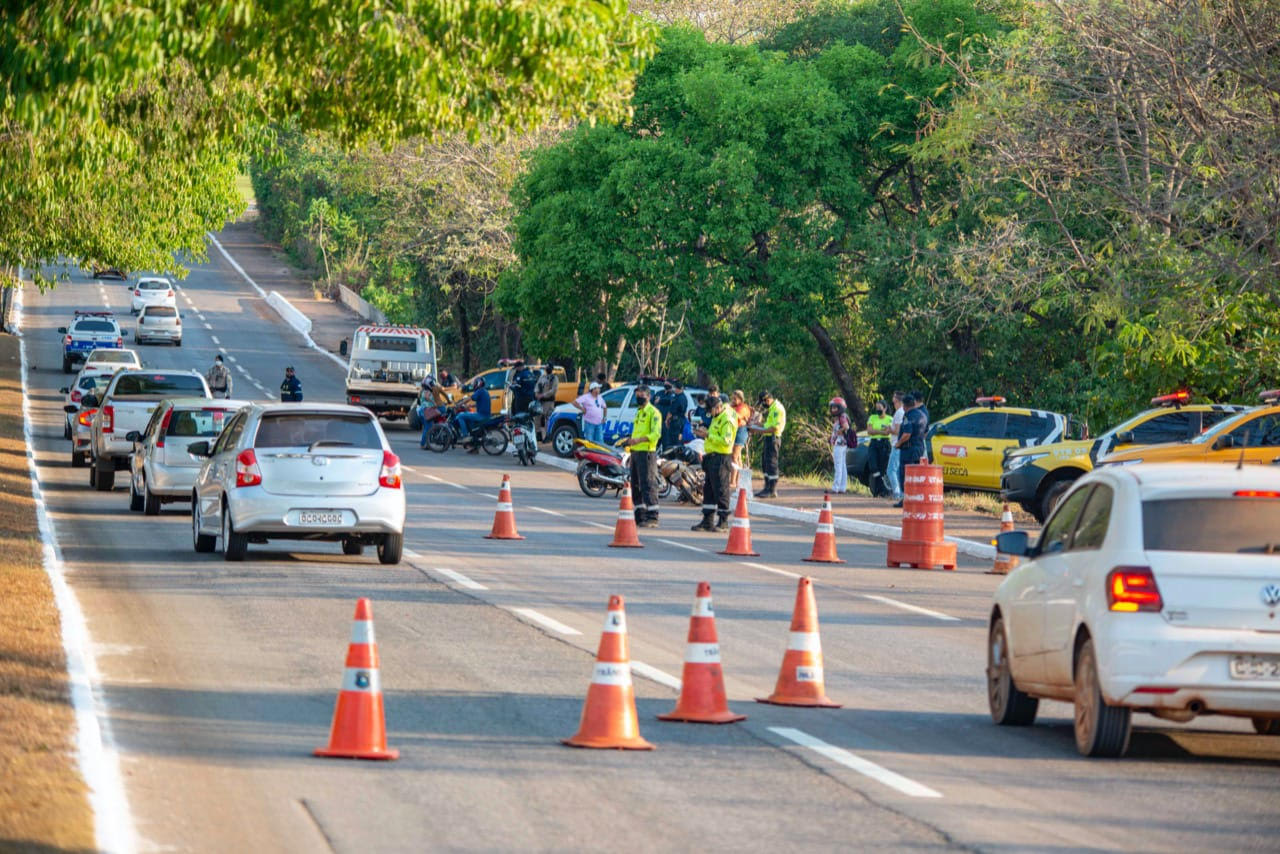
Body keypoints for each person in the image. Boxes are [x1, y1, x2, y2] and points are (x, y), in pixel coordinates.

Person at [620, 384, 662, 528]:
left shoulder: (654, 412)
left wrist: (638, 440)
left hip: (647, 453)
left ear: (648, 396)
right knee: (636, 484)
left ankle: (652, 516)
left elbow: (655, 434)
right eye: (637, 394)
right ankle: (640, 515)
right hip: (635, 452)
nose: (639, 397)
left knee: (648, 484)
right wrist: (630, 441)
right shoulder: (639, 412)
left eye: (642, 395)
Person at [693, 394, 736, 532]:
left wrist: (708, 435)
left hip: (721, 458)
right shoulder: (716, 418)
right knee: (709, 490)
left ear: (718, 407)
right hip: (711, 457)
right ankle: (707, 521)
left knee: (721, 490)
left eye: (711, 410)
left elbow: (726, 441)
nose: (710, 414)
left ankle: (723, 521)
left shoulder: (727, 420)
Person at [749, 390, 786, 498]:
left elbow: (774, 428)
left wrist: (757, 430)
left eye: (763, 402)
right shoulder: (772, 408)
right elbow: (768, 425)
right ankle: (767, 487)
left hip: (773, 438)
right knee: (765, 463)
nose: (763, 405)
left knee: (771, 464)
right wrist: (759, 424)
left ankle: (772, 489)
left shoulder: (777, 409)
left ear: (767, 400)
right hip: (768, 438)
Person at [894, 393, 929, 507]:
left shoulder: (907, 416)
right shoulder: (923, 415)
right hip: (919, 448)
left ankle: (906, 499)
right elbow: (926, 432)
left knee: (905, 474)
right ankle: (916, 498)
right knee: (916, 474)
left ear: (905, 406)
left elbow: (907, 434)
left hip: (908, 450)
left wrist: (898, 444)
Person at [453, 378, 491, 453]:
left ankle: (465, 436)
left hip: (481, 415)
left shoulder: (480, 391)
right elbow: (481, 403)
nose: (473, 385)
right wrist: (470, 406)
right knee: (469, 420)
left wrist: (459, 404)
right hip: (484, 414)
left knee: (461, 415)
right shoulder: (484, 391)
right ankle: (475, 447)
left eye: (474, 383)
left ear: (478, 384)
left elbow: (469, 398)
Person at [866, 399, 894, 497]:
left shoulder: (890, 419)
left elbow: (887, 432)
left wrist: (876, 430)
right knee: (873, 466)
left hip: (884, 444)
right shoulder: (872, 417)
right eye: (876, 408)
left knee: (883, 468)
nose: (877, 410)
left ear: (885, 408)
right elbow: (869, 431)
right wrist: (881, 431)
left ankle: (882, 491)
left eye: (879, 408)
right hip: (874, 443)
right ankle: (879, 489)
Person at [729, 389, 752, 489]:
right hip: (734, 431)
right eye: (732, 398)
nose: (733, 400)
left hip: (741, 432)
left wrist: (729, 409)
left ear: (740, 399)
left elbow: (737, 416)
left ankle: (733, 481)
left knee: (734, 456)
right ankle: (738, 480)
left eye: (735, 399)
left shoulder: (743, 407)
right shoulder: (733, 407)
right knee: (736, 457)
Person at [828, 397, 851, 494]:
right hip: (842, 444)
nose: (833, 410)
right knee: (842, 466)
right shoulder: (841, 417)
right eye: (832, 408)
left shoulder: (842, 417)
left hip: (840, 444)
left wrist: (838, 432)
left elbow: (846, 427)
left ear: (840, 407)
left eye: (835, 407)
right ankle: (842, 487)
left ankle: (836, 487)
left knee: (838, 466)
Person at [886, 391, 905, 501]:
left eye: (894, 402)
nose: (893, 404)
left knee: (891, 470)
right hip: (899, 444)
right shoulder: (903, 412)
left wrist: (889, 429)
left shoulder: (899, 413)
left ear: (898, 401)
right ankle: (900, 492)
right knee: (897, 470)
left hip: (896, 444)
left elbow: (898, 431)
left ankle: (897, 492)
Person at [534, 366, 559, 435]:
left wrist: (543, 395)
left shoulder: (554, 378)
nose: (547, 369)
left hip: (549, 401)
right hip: (540, 401)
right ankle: (538, 434)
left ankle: (548, 434)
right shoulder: (542, 377)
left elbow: (553, 390)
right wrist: (536, 393)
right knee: (537, 417)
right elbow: (537, 386)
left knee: (548, 418)